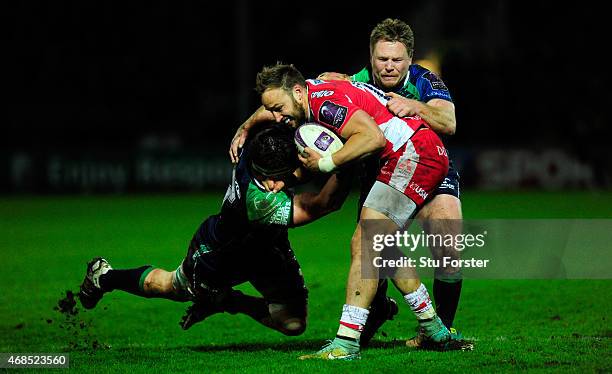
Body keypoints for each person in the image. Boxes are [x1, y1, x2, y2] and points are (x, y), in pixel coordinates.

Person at [252, 63, 471, 360]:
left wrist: (325, 165)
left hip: (413, 153)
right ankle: (434, 328)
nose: (277, 118)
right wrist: (289, 175)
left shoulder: (326, 104)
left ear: (299, 92)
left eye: (278, 108)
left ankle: (346, 342)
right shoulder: (313, 93)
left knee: (366, 243)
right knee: (383, 247)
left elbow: (372, 139)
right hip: (413, 152)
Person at [78, 124, 352, 336]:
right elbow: (323, 204)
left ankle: (224, 300)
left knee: (293, 324)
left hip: (268, 251)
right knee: (169, 285)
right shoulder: (260, 200)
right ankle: (106, 276)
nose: (272, 183)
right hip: (219, 255)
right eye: (270, 178)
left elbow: (272, 111)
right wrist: (345, 164)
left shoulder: (256, 145)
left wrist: (247, 123)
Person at [318, 18, 465, 346]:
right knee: (371, 248)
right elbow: (300, 91)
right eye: (382, 59)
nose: (388, 67)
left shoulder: (425, 81)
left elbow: (449, 122)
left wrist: (413, 106)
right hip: (381, 171)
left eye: (396, 60)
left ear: (409, 60)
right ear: (371, 57)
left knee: (447, 240)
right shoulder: (355, 81)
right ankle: (378, 309)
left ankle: (442, 329)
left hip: (430, 166)